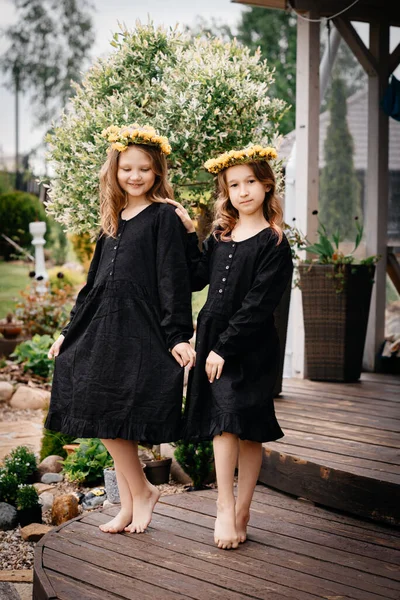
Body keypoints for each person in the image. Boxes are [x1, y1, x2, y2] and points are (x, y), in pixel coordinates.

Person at [47, 124, 195, 534]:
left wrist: (178, 335)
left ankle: (143, 493)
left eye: (144, 169)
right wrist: (67, 332)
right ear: (114, 171)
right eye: (126, 168)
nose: (134, 176)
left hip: (139, 330)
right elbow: (92, 285)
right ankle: (132, 499)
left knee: (116, 414)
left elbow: (173, 281)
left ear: (157, 171)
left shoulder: (163, 217)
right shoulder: (112, 221)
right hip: (102, 328)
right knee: (100, 409)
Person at [167, 145, 293, 550]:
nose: (243, 191)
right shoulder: (220, 235)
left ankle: (242, 509)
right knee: (223, 421)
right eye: (234, 185)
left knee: (248, 429)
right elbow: (196, 278)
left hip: (249, 345)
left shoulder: (274, 242)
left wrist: (225, 348)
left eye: (250, 182)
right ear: (226, 191)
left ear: (266, 185)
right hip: (212, 338)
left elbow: (259, 303)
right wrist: (190, 233)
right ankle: (223, 506)